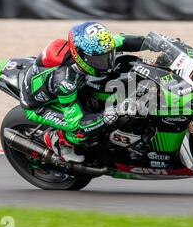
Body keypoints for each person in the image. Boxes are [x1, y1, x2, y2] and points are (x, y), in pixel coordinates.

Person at [19, 22, 145, 163]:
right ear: (79, 56)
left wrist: (152, 42)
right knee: (82, 133)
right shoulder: (65, 82)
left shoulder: (96, 47)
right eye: (98, 60)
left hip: (69, 88)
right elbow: (77, 124)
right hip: (40, 106)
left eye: (107, 56)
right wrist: (110, 114)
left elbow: (124, 41)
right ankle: (58, 140)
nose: (106, 62)